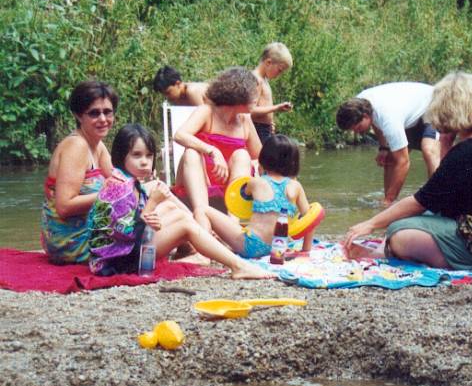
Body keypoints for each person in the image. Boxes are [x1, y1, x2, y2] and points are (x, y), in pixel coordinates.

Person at [342, 72, 472, 269]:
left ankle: (447, 261)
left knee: (399, 232)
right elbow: (444, 196)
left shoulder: (470, 150)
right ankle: (383, 251)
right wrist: (445, 142)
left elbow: (422, 200)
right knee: (404, 221)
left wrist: (370, 223)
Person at [88, 124, 270, 279]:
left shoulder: (125, 179)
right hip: (114, 260)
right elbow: (124, 233)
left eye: (148, 156)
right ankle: (237, 266)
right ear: (121, 156)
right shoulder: (119, 188)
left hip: (124, 249)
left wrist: (157, 208)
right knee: (185, 225)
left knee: (171, 208)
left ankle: (194, 247)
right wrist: (152, 204)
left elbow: (137, 224)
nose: (144, 162)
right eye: (137, 155)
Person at [336, 82, 453, 206]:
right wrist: (383, 148)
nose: (356, 133)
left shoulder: (388, 118)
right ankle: (388, 201)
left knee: (429, 149)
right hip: (411, 112)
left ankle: (439, 199)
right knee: (390, 158)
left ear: (365, 116)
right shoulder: (359, 104)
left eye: (358, 127)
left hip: (437, 103)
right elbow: (375, 121)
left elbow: (404, 163)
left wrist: (389, 201)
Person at [174, 66, 262, 231]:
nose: (258, 99)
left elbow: (260, 156)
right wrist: (212, 151)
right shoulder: (207, 111)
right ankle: (203, 222)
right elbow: (180, 135)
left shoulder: (245, 121)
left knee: (243, 155)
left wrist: (257, 165)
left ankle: (232, 224)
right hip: (198, 183)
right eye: (255, 94)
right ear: (240, 95)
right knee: (192, 153)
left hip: (230, 190)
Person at [205, 134, 318, 258]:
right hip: (278, 248)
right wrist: (305, 249)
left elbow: (240, 196)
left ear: (263, 159)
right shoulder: (296, 186)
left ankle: (204, 253)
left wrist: (258, 171)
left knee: (203, 210)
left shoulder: (255, 183)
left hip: (251, 247)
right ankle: (220, 245)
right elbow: (310, 220)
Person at [41, 81, 117, 264]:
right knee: (177, 222)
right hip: (70, 243)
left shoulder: (96, 144)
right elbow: (64, 206)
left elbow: (119, 180)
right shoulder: (76, 146)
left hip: (91, 231)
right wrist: (106, 193)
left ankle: (190, 250)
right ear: (78, 115)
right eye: (94, 113)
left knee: (159, 199)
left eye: (107, 112)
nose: (103, 119)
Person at [250, 42, 294, 144]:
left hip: (265, 129)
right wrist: (276, 108)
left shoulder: (264, 80)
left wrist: (269, 123)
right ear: (268, 62)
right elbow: (250, 110)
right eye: (280, 70)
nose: (280, 74)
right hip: (256, 130)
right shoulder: (256, 79)